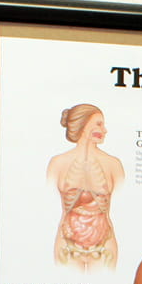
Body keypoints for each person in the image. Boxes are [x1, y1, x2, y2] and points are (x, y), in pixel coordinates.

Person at [48, 104, 123, 271]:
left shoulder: (113, 164)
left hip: (104, 245)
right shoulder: (57, 163)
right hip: (67, 245)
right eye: (98, 124)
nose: (104, 130)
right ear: (82, 124)